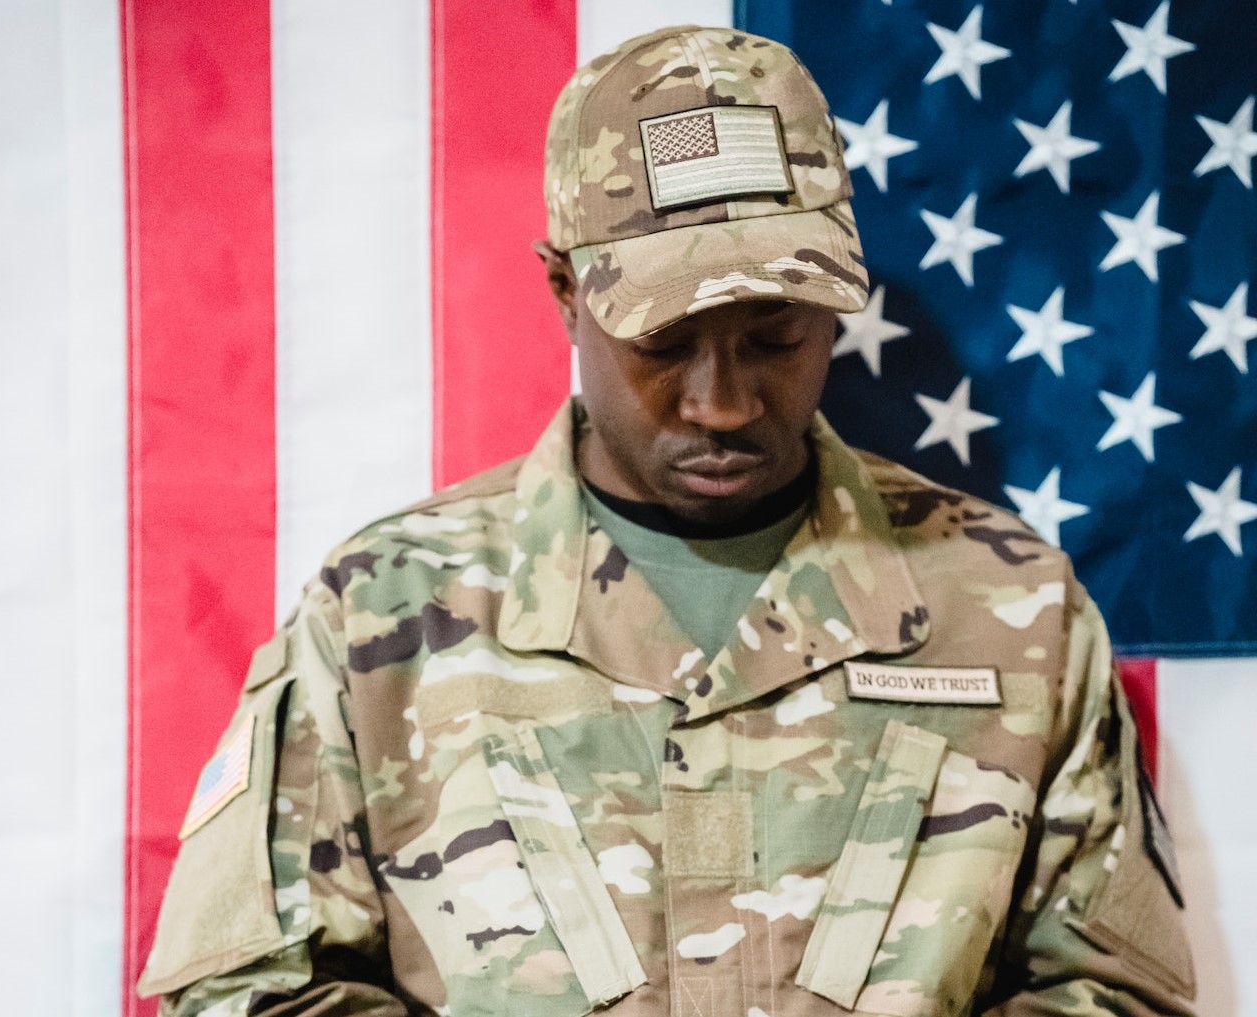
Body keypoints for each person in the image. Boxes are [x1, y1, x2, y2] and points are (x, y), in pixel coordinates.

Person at [140, 24, 1196, 1017]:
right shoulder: (386, 611)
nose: (722, 403)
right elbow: (249, 990)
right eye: (662, 343)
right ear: (563, 291)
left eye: (775, 338)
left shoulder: (1006, 606)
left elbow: (1113, 991)